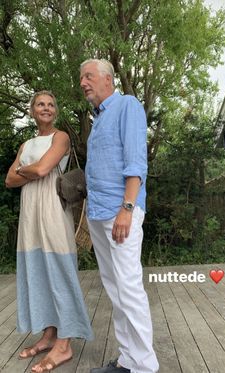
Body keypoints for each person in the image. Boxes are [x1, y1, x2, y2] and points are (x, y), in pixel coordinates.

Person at [80, 59, 159, 373]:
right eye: (81, 78)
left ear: (107, 79)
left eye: (88, 76)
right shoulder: (98, 119)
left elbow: (136, 161)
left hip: (119, 211)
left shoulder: (127, 105)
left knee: (128, 286)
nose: (83, 82)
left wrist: (127, 208)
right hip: (98, 214)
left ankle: (144, 367)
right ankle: (128, 359)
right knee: (114, 288)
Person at [5, 90, 93, 373]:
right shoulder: (26, 142)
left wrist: (25, 171)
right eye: (40, 104)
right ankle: (49, 334)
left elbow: (43, 170)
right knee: (38, 273)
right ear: (32, 111)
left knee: (60, 272)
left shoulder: (61, 138)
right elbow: (8, 180)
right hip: (30, 215)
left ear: (56, 111)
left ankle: (64, 345)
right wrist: (30, 170)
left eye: (51, 104)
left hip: (53, 211)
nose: (46, 108)